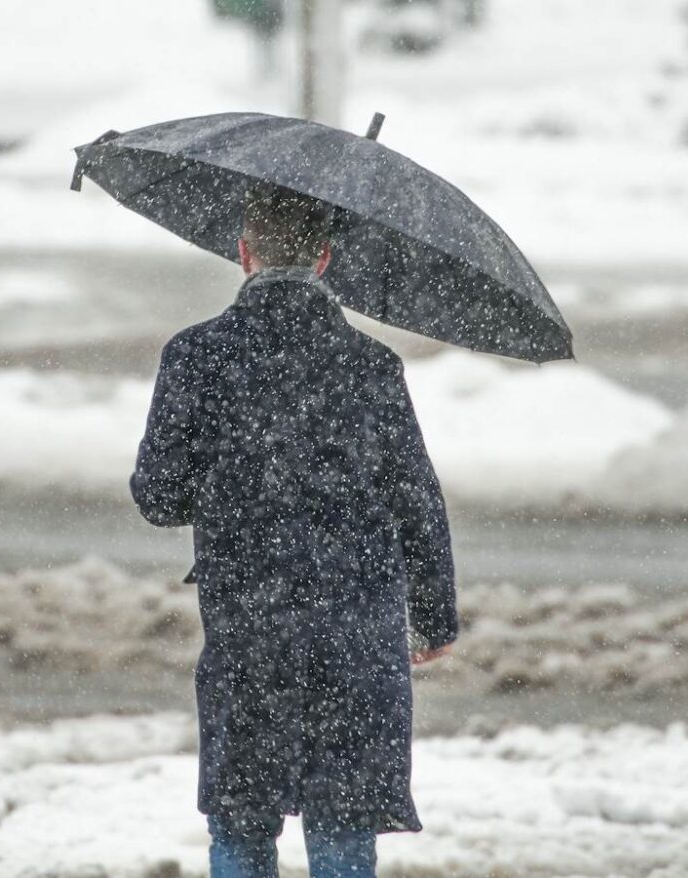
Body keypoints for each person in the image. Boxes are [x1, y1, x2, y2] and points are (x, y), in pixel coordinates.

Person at [131, 184, 458, 878]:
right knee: (342, 822)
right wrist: (433, 619)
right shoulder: (372, 366)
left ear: (244, 253)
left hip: (251, 627)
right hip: (356, 628)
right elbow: (416, 500)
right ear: (326, 258)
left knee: (243, 821)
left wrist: (225, 480)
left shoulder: (197, 357)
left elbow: (158, 497)